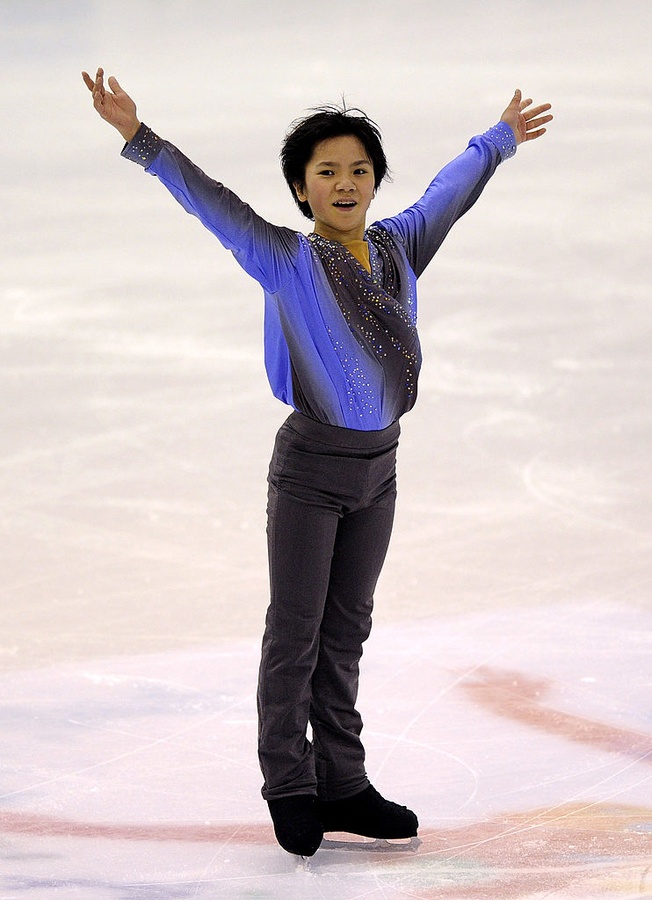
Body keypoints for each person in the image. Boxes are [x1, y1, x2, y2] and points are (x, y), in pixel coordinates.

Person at [82, 67, 552, 857]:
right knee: (295, 632)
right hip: (310, 471)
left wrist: (497, 139)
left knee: (347, 632)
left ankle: (344, 781)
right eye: (326, 172)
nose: (345, 183)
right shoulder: (286, 260)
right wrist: (140, 138)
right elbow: (213, 204)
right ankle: (290, 784)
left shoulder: (399, 247)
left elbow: (449, 191)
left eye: (358, 170)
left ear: (373, 181)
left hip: (380, 470)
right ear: (302, 190)